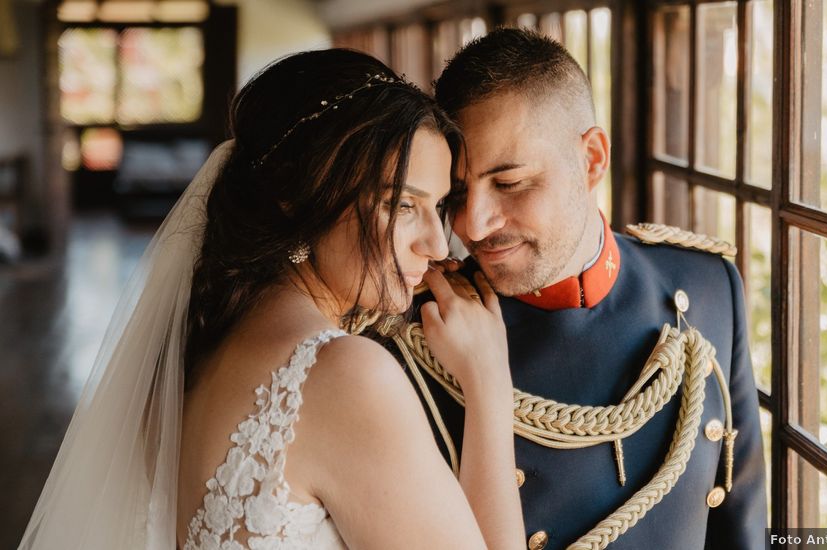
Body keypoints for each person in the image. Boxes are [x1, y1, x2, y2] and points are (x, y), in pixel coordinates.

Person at [19, 49, 525, 550]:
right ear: (301, 195)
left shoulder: (196, 349)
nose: (437, 243)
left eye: (437, 206)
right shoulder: (347, 377)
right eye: (401, 204)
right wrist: (489, 383)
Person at [397, 28, 767, 549]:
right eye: (457, 193)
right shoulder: (420, 339)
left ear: (592, 159)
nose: (472, 225)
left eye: (510, 183)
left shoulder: (707, 284)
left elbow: (741, 526)